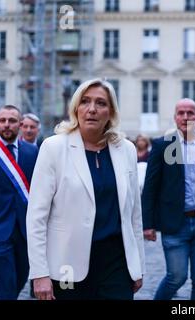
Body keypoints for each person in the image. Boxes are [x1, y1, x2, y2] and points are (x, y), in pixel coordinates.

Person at [26, 78, 145, 300]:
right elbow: (36, 217)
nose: (92, 109)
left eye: (101, 103)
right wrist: (39, 273)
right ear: (75, 108)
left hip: (116, 264)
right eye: (85, 102)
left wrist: (137, 266)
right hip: (66, 266)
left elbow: (134, 215)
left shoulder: (126, 150)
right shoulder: (54, 148)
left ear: (110, 112)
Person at [142, 98, 195, 300]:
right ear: (175, 118)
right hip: (174, 223)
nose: (185, 117)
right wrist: (148, 224)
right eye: (181, 113)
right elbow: (150, 187)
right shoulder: (162, 146)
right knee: (176, 277)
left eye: (190, 113)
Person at [0, 105, 38, 300]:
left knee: (21, 277)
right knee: (5, 282)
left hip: (26, 230)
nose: (6, 125)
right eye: (2, 121)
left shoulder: (32, 152)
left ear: (20, 125)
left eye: (11, 121)